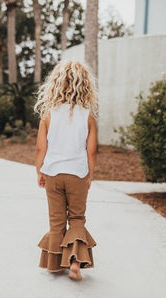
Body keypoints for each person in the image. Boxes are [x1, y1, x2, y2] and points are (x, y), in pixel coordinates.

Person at [34, 60, 99, 281]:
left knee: (56, 221)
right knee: (77, 218)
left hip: (53, 173)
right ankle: (74, 262)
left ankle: (54, 265)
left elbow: (41, 147)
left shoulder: (48, 115)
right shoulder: (87, 116)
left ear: (56, 84)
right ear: (85, 85)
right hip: (77, 174)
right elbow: (91, 151)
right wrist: (89, 175)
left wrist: (40, 172)